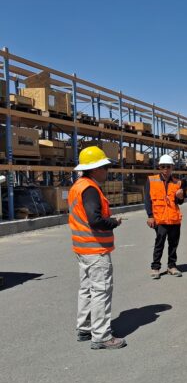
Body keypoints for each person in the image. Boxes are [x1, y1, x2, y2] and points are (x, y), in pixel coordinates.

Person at [69, 146, 125, 350]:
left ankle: (84, 328)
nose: (107, 171)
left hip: (82, 248)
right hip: (95, 249)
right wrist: (113, 222)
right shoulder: (90, 189)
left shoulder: (78, 185)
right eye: (105, 167)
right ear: (95, 169)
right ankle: (101, 335)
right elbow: (95, 220)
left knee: (86, 289)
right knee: (101, 290)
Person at [145, 154, 185, 279]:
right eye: (163, 166)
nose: (166, 169)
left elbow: (180, 202)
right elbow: (147, 200)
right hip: (160, 219)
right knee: (159, 243)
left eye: (168, 166)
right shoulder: (151, 180)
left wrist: (181, 197)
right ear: (159, 167)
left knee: (173, 244)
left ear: (172, 167)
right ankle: (155, 267)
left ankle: (171, 266)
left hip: (174, 219)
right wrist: (150, 216)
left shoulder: (177, 182)